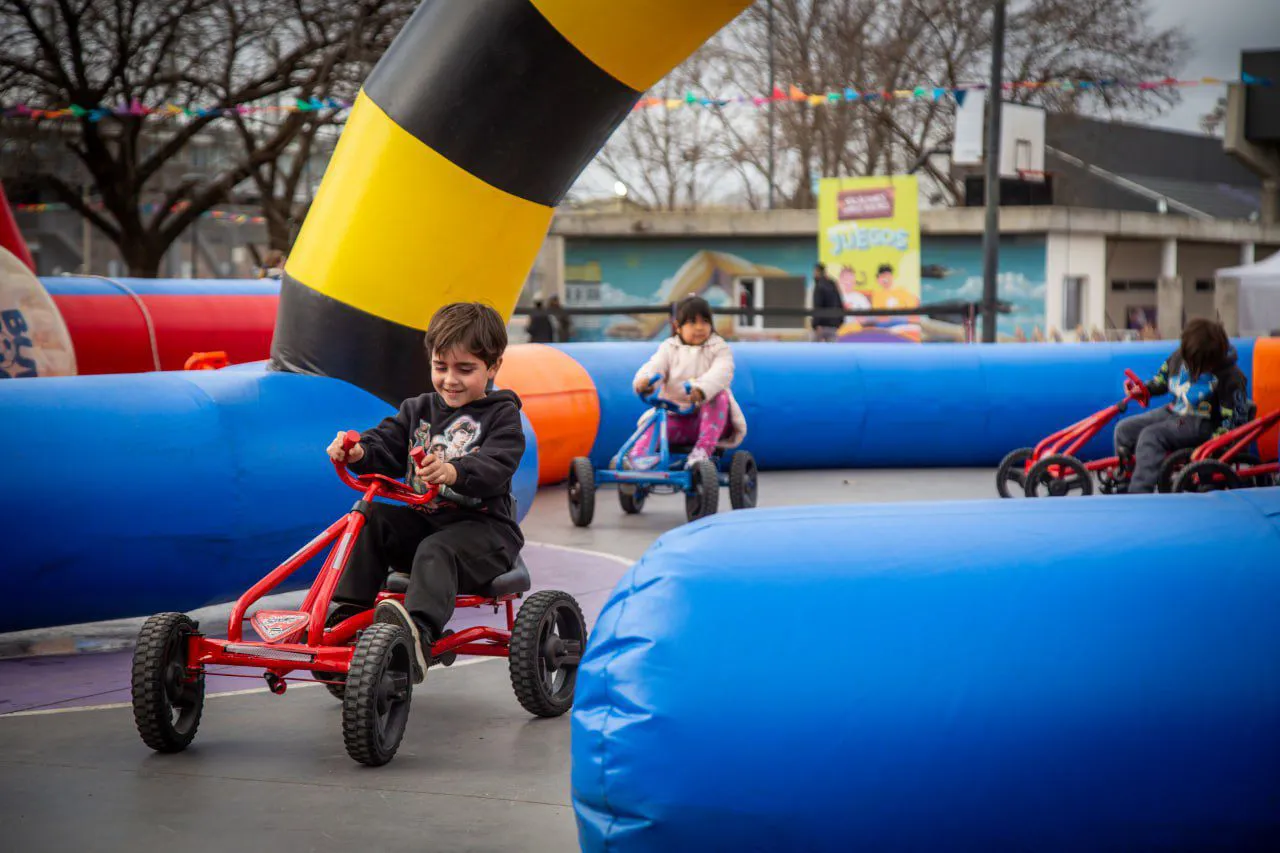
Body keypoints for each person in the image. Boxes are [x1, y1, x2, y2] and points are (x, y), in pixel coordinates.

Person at [325, 302, 525, 682]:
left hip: (485, 536)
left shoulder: (503, 417)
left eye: (465, 369)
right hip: (427, 525)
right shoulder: (418, 409)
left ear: (493, 367)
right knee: (367, 518)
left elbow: (496, 465)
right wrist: (358, 451)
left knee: (437, 548)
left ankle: (419, 634)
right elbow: (384, 442)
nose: (450, 379)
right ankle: (350, 617)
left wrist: (453, 470)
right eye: (440, 367)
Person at [1113, 319, 1249, 494]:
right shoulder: (1178, 357)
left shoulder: (1231, 376)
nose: (1194, 368)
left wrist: (1219, 439)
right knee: (1124, 429)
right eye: (1191, 362)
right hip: (1175, 411)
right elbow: (1161, 381)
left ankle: (1139, 491)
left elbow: (1236, 416)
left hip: (1202, 421)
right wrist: (1144, 389)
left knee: (1152, 436)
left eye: (1201, 365)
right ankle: (1125, 479)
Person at [629, 296, 747, 469]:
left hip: (713, 423)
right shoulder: (669, 348)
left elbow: (721, 373)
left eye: (705, 321)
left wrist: (701, 390)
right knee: (653, 424)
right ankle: (636, 460)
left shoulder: (719, 348)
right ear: (677, 327)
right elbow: (656, 366)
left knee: (718, 394)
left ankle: (702, 451)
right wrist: (645, 381)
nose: (699, 327)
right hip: (678, 420)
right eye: (692, 322)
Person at [810, 263, 844, 342]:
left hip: (822, 325)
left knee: (814, 351)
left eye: (814, 272)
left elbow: (817, 306)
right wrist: (839, 321)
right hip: (834, 325)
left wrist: (816, 324)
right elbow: (839, 304)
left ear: (817, 272)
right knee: (832, 351)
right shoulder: (833, 285)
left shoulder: (819, 286)